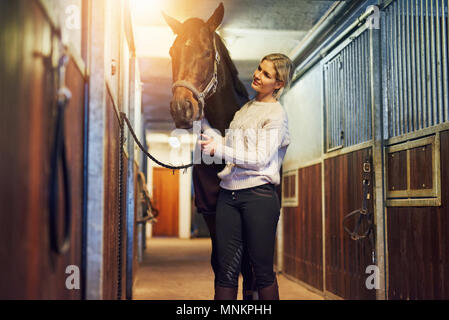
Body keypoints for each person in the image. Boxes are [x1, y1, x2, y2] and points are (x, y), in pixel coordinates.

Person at [198, 53, 293, 300]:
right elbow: (229, 145)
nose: (258, 75)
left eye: (267, 74)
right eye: (260, 69)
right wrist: (204, 125)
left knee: (261, 271)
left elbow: (259, 159)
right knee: (225, 270)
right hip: (228, 196)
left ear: (279, 84)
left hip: (258, 197)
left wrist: (219, 149)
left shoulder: (276, 115)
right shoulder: (245, 110)